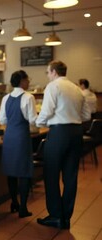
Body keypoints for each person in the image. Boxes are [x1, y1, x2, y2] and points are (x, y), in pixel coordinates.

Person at [36, 61, 91, 229]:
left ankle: (55, 216)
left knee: (51, 174)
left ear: (53, 71)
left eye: (47, 72)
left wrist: (38, 122)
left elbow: (46, 111)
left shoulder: (53, 86)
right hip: (76, 133)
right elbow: (87, 115)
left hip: (59, 133)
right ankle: (66, 217)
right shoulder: (77, 89)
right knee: (70, 176)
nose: (47, 75)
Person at [0, 70, 37, 218]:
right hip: (21, 136)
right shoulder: (28, 97)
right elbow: (32, 119)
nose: (29, 82)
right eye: (28, 79)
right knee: (25, 172)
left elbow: (2, 120)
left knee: (11, 171)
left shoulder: (6, 98)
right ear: (22, 81)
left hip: (9, 137)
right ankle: (23, 208)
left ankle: (14, 202)